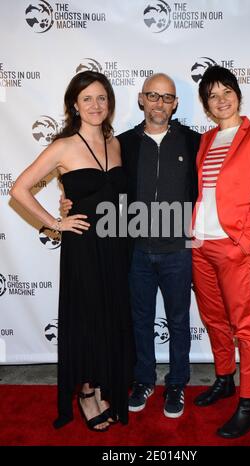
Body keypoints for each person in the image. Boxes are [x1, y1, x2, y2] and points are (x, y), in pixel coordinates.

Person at [62, 72, 201, 418]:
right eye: (153, 96)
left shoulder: (193, 142)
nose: (159, 103)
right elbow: (96, 180)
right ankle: (143, 379)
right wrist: (68, 202)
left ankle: (177, 383)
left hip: (176, 250)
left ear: (176, 104)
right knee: (139, 319)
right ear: (141, 99)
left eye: (167, 97)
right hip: (134, 249)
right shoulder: (123, 142)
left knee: (179, 321)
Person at [10, 71, 134, 431]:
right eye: (87, 99)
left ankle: (103, 385)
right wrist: (55, 221)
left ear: (109, 103)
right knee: (88, 320)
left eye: (102, 98)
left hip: (116, 245)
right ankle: (86, 392)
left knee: (111, 318)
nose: (96, 105)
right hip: (84, 249)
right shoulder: (64, 146)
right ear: (74, 106)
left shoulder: (115, 142)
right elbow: (19, 189)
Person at [191, 65, 250, 438]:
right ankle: (225, 378)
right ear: (207, 105)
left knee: (245, 324)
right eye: (213, 95)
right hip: (199, 244)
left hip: (233, 246)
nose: (221, 99)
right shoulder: (206, 139)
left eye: (227, 91)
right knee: (213, 319)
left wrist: (245, 244)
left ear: (238, 94)